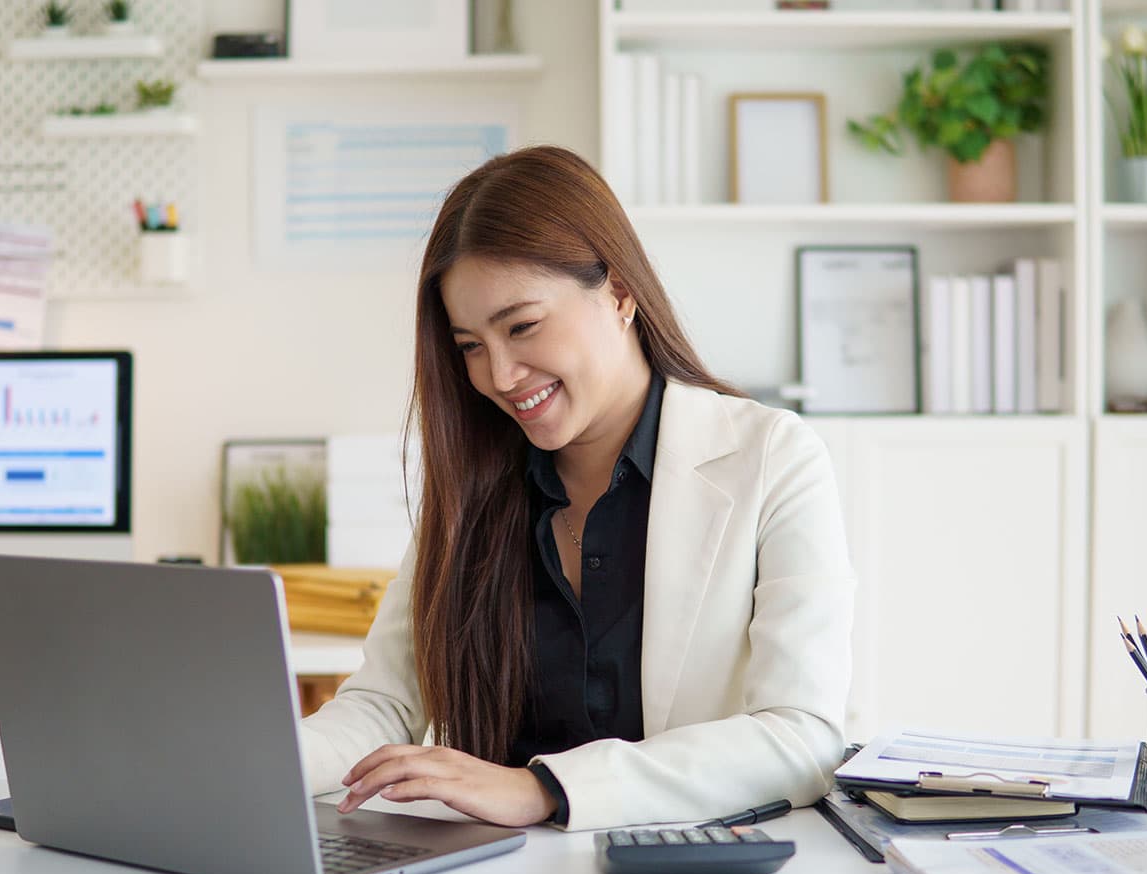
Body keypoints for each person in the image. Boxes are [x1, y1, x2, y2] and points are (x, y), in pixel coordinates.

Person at [298, 145, 854, 832]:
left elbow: (801, 735)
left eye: (522, 326)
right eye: (470, 345)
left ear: (619, 292)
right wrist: (256, 761)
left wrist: (544, 789)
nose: (499, 375)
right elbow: (382, 706)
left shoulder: (771, 456)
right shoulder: (476, 482)